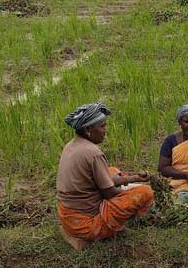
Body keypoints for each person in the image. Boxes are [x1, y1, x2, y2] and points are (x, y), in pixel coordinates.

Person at [57, 103, 155, 247]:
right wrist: (131, 189)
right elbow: (109, 193)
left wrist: (132, 178)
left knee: (112, 171)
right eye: (102, 126)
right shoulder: (93, 153)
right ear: (88, 129)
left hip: (68, 216)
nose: (105, 131)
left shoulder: (71, 145)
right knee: (146, 192)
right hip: (87, 224)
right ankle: (121, 225)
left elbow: (104, 180)